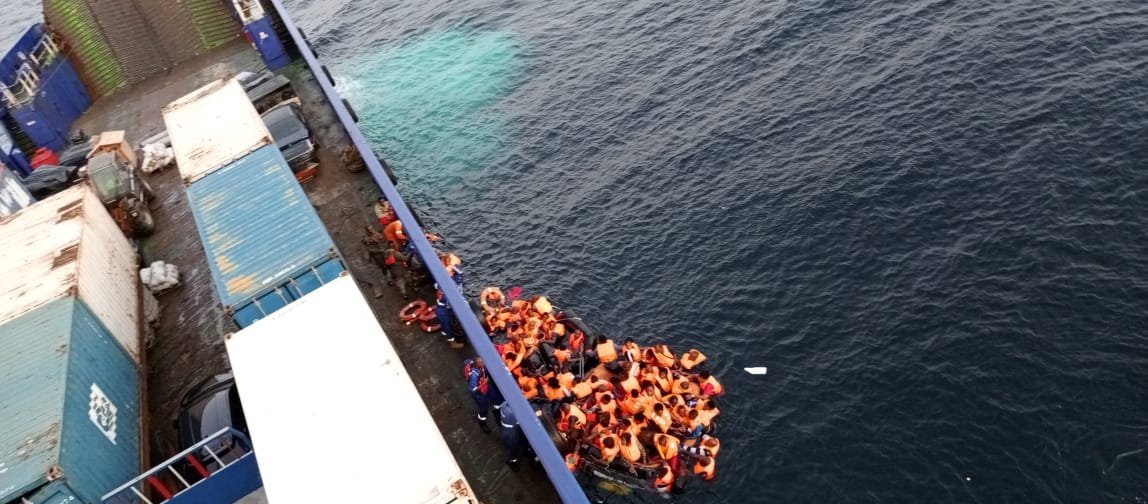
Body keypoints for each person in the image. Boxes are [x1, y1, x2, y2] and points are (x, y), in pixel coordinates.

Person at [466, 357, 492, 432]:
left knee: (487, 403)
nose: (484, 364)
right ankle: (482, 422)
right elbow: (473, 389)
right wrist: (485, 382)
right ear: (478, 364)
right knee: (483, 409)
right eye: (482, 363)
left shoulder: (481, 368)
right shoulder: (473, 376)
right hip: (479, 394)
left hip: (484, 390)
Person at [497, 400, 525, 470]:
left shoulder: (505, 404)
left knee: (513, 444)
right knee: (513, 447)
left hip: (507, 428)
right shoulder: (511, 413)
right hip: (511, 431)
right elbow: (520, 421)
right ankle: (512, 460)